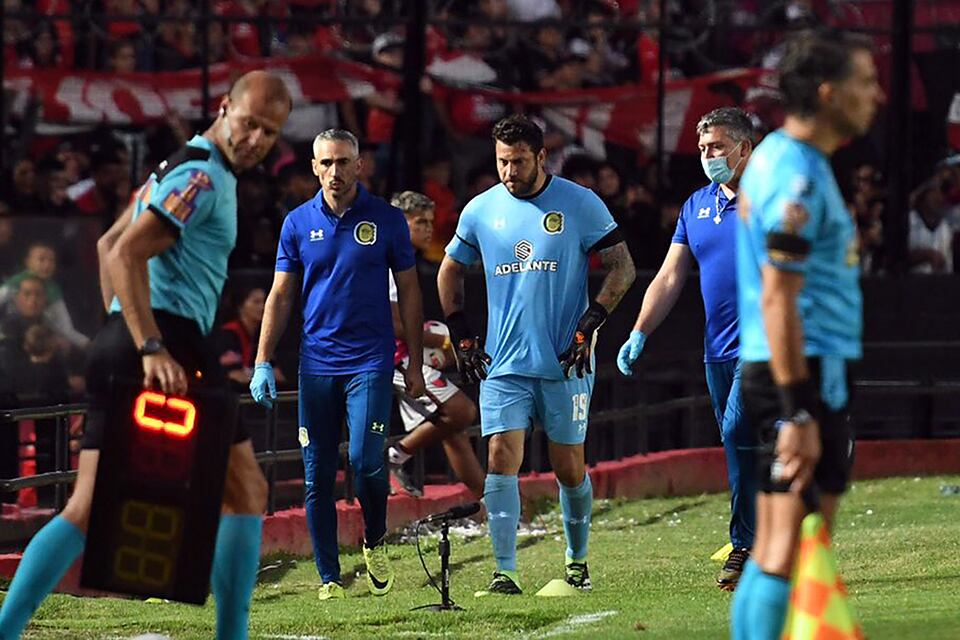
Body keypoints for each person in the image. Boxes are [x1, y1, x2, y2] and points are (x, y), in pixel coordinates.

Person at [0, 70, 292, 640]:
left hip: (132, 340)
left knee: (86, 509)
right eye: (250, 123)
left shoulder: (179, 165)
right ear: (225, 106)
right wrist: (150, 344)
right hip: (172, 343)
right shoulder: (203, 178)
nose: (256, 138)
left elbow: (109, 245)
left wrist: (122, 331)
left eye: (270, 132)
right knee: (247, 490)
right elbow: (129, 253)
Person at [438, 114, 636, 596]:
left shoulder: (579, 203)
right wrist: (462, 332)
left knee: (568, 465)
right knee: (501, 456)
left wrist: (591, 323)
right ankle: (504, 571)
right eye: (502, 160)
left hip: (565, 359)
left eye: (518, 161)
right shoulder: (480, 211)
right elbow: (449, 271)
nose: (508, 170)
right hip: (503, 361)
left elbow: (622, 267)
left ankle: (577, 561)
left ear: (541, 157)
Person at [730, 31, 882, 639]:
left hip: (784, 367)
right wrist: (797, 412)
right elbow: (778, 296)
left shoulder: (781, 159)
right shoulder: (795, 176)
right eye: (865, 81)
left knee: (774, 547)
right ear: (828, 92)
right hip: (804, 370)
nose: (875, 95)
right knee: (790, 547)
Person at [250, 129, 426, 601]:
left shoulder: (387, 221)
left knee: (366, 461)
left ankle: (374, 538)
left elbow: (409, 290)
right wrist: (262, 360)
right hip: (316, 365)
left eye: (344, 162)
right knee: (317, 474)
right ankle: (329, 578)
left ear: (359, 164)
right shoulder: (295, 223)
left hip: (370, 359)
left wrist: (413, 361)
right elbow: (281, 293)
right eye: (326, 162)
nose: (335, 171)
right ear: (313, 166)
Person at [617, 107, 758, 590]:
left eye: (716, 147)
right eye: (702, 149)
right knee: (737, 443)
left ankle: (745, 546)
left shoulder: (775, 199)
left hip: (767, 345)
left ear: (744, 147)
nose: (707, 156)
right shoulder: (697, 205)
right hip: (716, 349)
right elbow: (671, 275)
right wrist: (640, 330)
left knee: (741, 428)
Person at [384, 191, 485, 500]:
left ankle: (496, 510)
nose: (429, 229)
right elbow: (395, 326)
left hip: (405, 353)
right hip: (394, 356)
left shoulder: (403, 260)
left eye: (430, 222)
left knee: (454, 431)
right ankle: (393, 456)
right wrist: (444, 340)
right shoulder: (386, 261)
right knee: (462, 412)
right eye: (420, 222)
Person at [0, 242, 90, 349]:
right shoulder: (14, 283)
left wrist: (87, 344)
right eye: (41, 259)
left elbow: (65, 328)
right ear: (28, 262)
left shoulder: (53, 291)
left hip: (39, 338)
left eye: (51, 260)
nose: (47, 265)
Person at [217, 286, 285, 391]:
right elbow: (233, 375)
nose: (263, 307)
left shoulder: (262, 337)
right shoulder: (228, 335)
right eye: (256, 302)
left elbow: (277, 375)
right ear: (240, 306)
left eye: (264, 301)